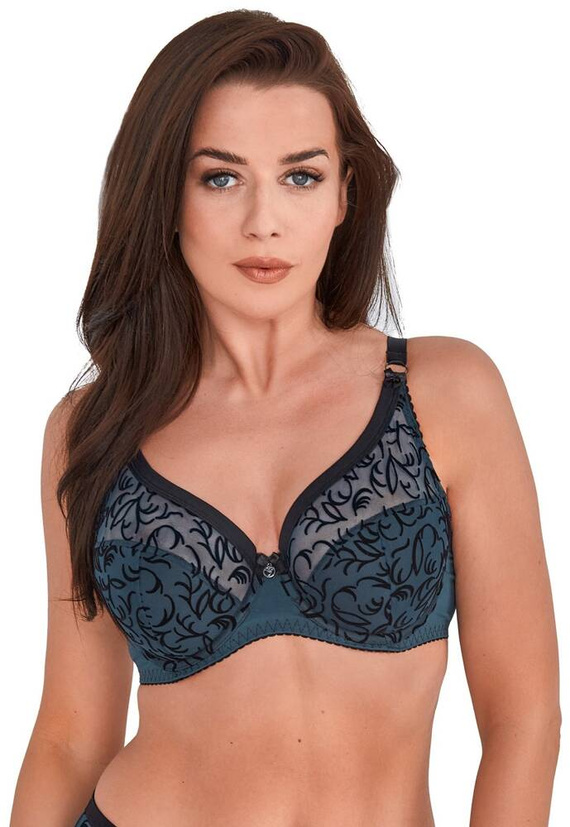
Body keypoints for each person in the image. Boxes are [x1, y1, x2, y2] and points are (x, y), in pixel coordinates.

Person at [10, 9, 561, 827]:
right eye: (220, 178)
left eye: (300, 176)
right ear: (166, 196)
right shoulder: (91, 429)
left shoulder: (445, 392)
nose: (263, 221)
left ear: (345, 193)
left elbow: (524, 717)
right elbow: (68, 735)